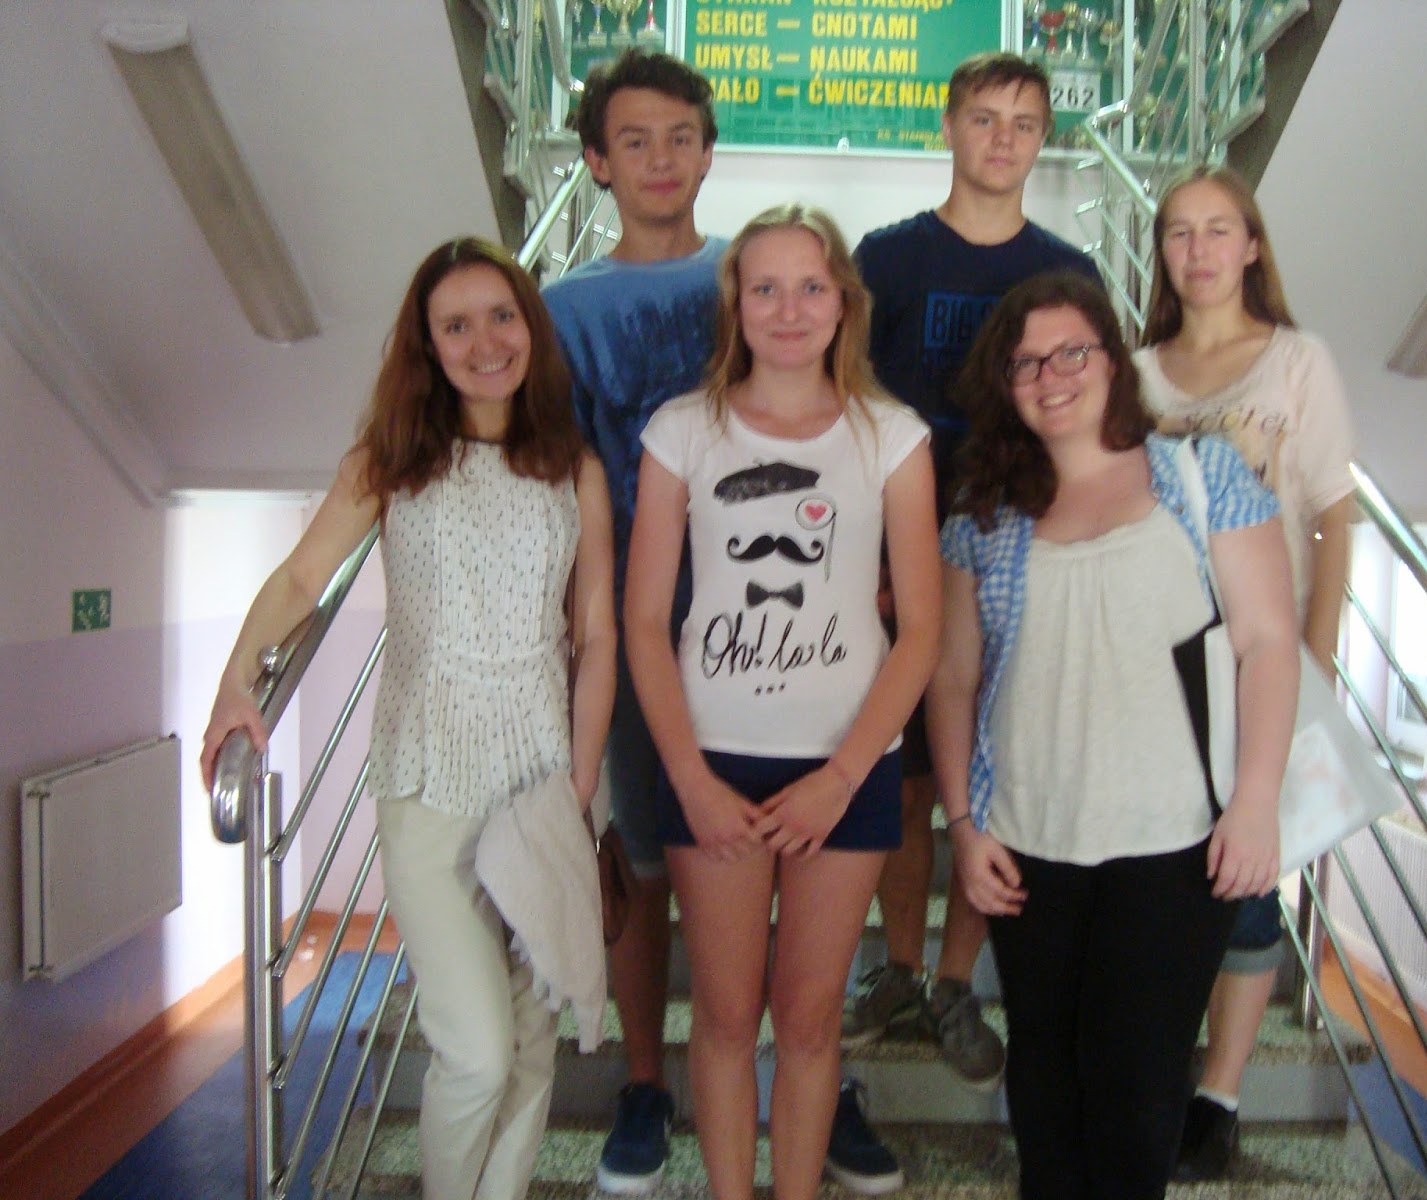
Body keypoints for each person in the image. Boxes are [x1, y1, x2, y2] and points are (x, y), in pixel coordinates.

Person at [198, 237, 615, 1200]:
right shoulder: (390, 461)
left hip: (544, 779)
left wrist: (581, 780)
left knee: (532, 1042)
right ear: (427, 345)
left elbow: (596, 637)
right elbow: (301, 579)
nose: (485, 342)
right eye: (456, 325)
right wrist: (233, 685)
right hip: (425, 782)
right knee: (474, 1050)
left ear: (530, 328)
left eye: (501, 317)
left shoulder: (573, 468)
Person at [926, 270, 1299, 1199]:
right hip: (1029, 840)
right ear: (1003, 384)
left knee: (1135, 1095)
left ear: (1112, 359)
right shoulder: (982, 510)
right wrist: (963, 826)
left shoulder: (1201, 476)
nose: (1051, 377)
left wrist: (1256, 803)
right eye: (1025, 363)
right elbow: (954, 677)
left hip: (1175, 844)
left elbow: (1267, 643)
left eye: (1072, 353)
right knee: (1045, 1091)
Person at [623, 204, 940, 1200]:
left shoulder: (893, 437)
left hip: (847, 768)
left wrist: (841, 779)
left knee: (807, 1023)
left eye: (810, 287)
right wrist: (689, 779)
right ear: (736, 303)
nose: (789, 309)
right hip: (710, 762)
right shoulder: (682, 431)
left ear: (844, 302)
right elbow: (644, 623)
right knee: (723, 1019)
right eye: (765, 288)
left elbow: (921, 631)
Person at [845, 51, 1101, 1089]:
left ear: (1043, 141)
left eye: (1024, 123)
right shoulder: (888, 259)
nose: (1003, 139)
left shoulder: (1069, 273)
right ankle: (901, 971)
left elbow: (1090, 429)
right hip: (897, 562)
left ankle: (956, 982)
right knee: (901, 782)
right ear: (947, 127)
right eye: (985, 118)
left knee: (989, 780)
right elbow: (849, 408)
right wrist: (860, 558)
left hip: (1014, 558)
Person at [1135, 165, 1357, 1180]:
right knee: (1164, 877)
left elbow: (1333, 516)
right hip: (1154, 670)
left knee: (1249, 883)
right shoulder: (1133, 372)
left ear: (1253, 245)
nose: (1199, 250)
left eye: (1219, 229)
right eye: (1179, 232)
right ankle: (1150, 1072)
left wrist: (1314, 656)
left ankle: (1217, 1096)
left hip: (1259, 661)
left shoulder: (1298, 362)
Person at [539, 48, 727, 1194]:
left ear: (709, 153)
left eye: (680, 137)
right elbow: (547, 477)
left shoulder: (761, 278)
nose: (661, 159)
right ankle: (647, 1082)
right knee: (646, 861)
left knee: (761, 859)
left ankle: (789, 1070)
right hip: (627, 624)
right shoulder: (559, 311)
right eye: (634, 141)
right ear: (598, 163)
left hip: (772, 631)